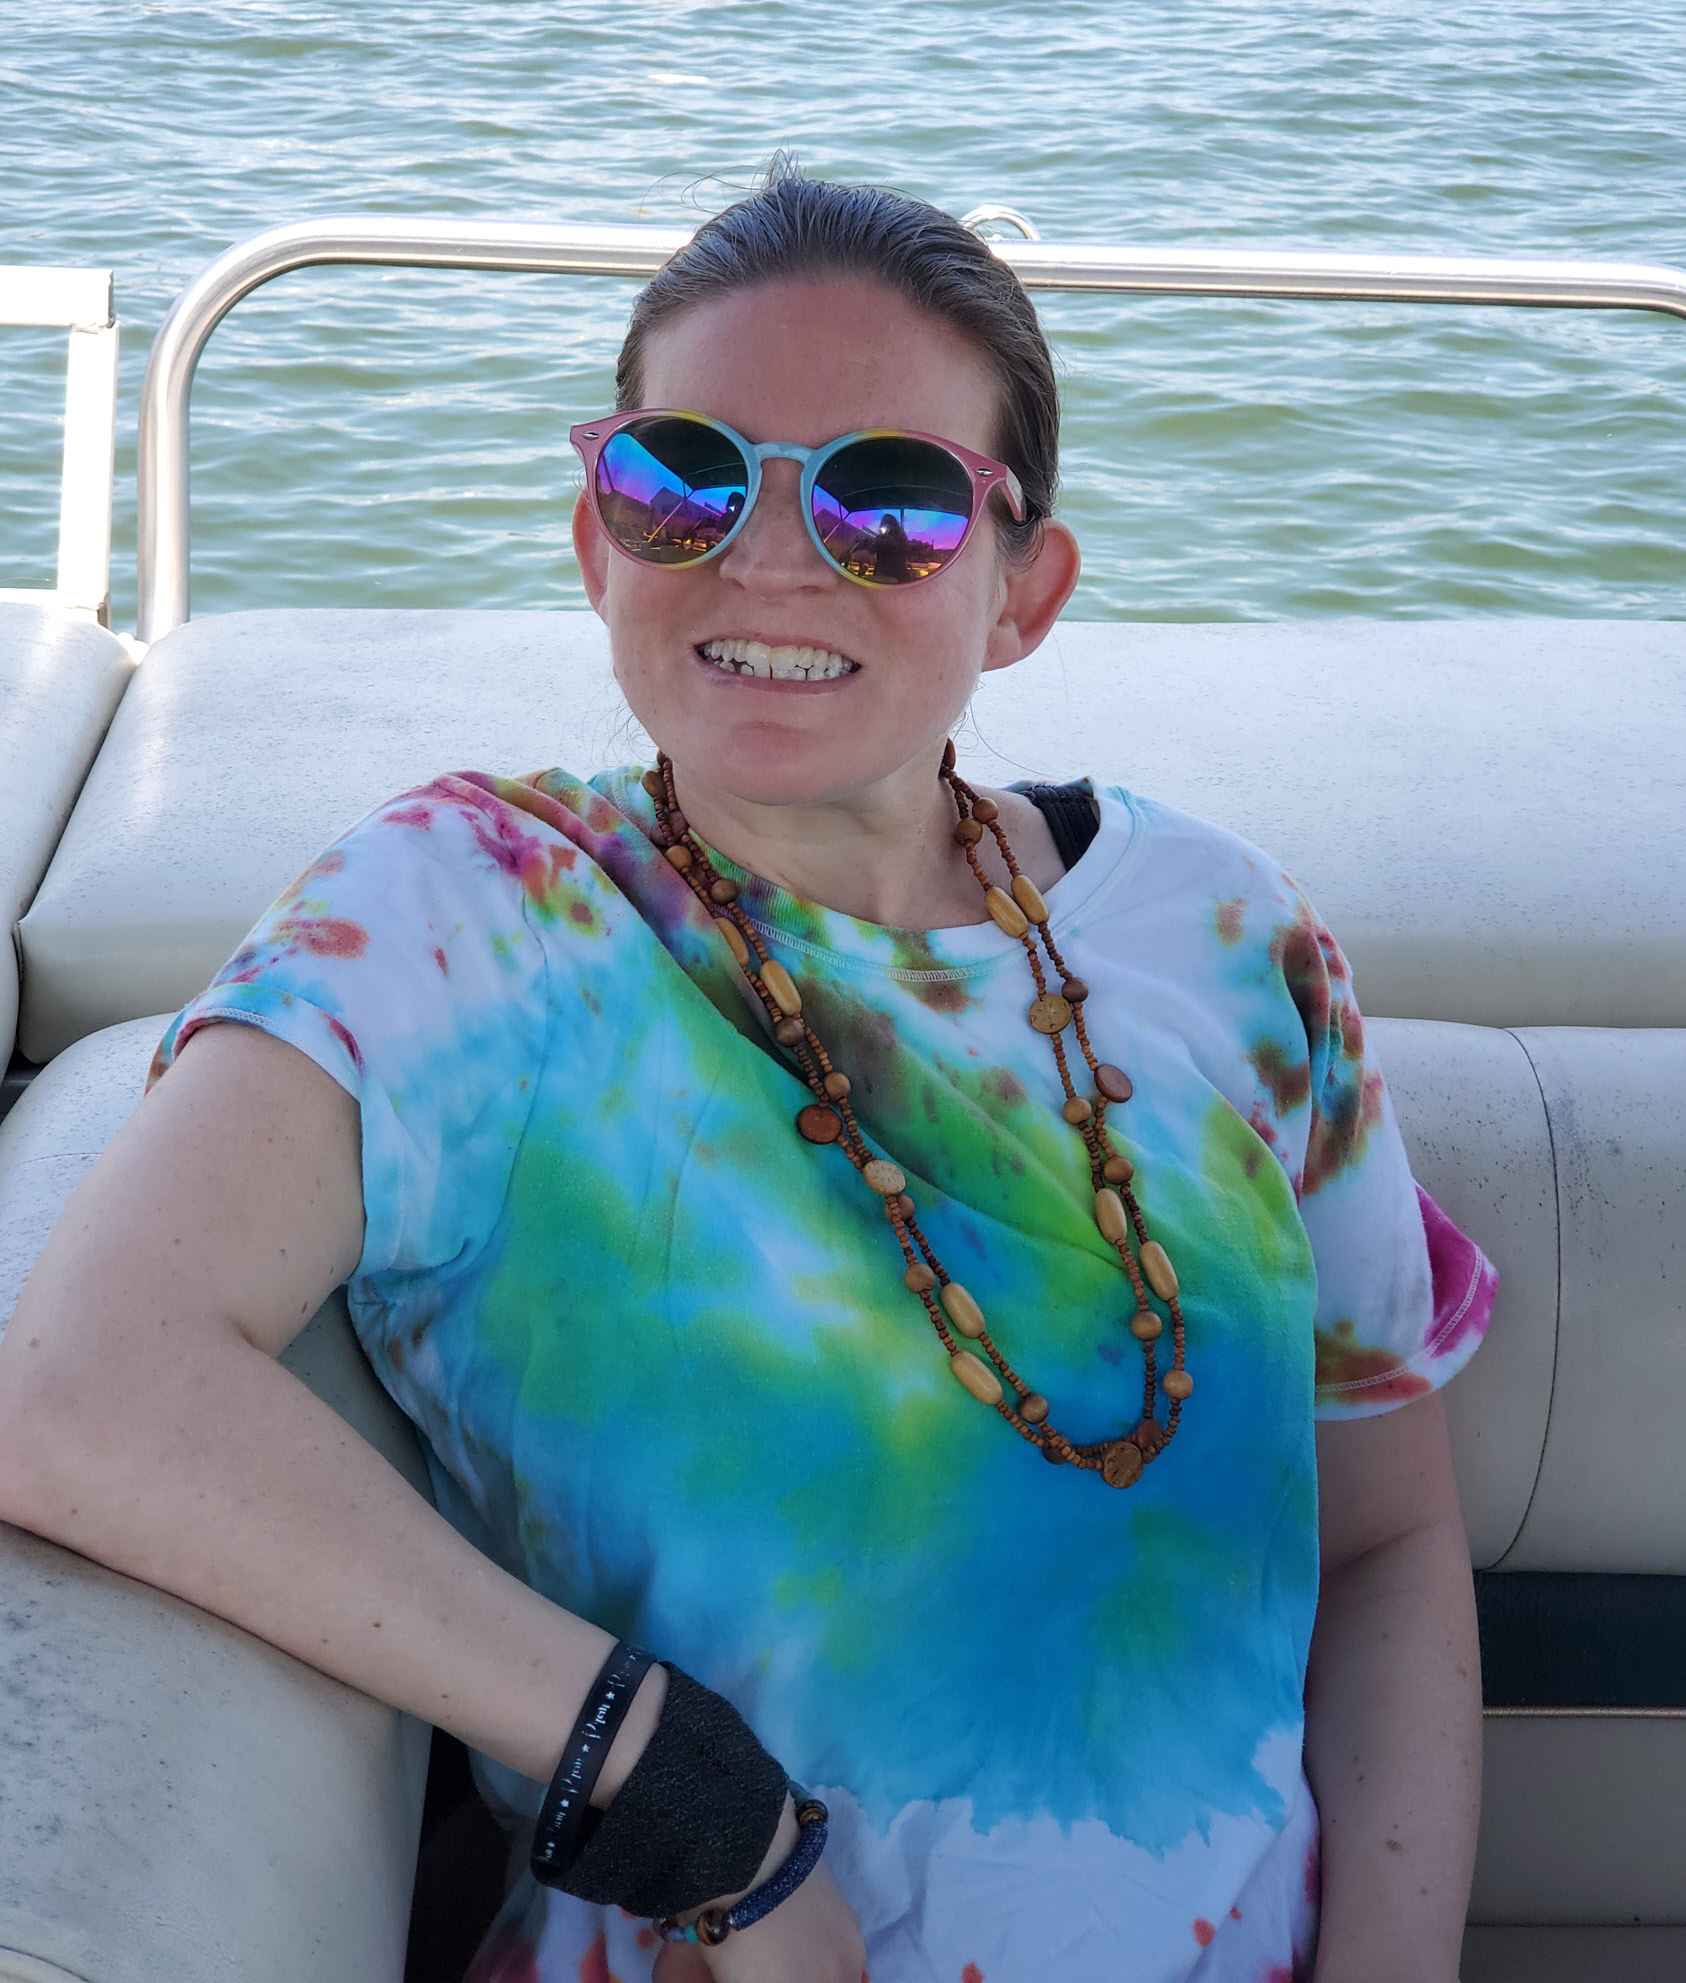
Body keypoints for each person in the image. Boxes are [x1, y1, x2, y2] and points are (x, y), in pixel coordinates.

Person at [0, 169, 1495, 1983]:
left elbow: (1392, 1530)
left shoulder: (1235, 946)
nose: (768, 558)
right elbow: (74, 1388)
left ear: (1023, 589)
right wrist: (692, 1799)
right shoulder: (475, 918)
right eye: (680, 477)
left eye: (889, 499)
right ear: (592, 538)